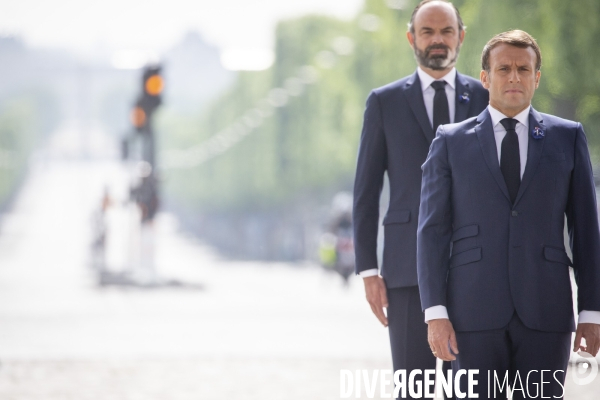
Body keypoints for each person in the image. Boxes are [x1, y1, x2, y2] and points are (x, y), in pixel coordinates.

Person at [417, 29, 600, 398]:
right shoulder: (450, 141)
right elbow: (432, 231)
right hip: (470, 313)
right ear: (485, 78)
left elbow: (587, 231)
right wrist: (435, 312)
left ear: (536, 77)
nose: (514, 77)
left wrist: (591, 313)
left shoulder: (568, 137)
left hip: (546, 313)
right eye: (503, 69)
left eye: (523, 68)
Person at [352, 0, 488, 396]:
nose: (437, 40)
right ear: (411, 38)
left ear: (461, 37)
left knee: (471, 386)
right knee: (416, 386)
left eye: (446, 31)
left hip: (476, 264)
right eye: (427, 32)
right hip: (404, 267)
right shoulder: (384, 102)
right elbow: (366, 191)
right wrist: (368, 270)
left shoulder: (487, 97)